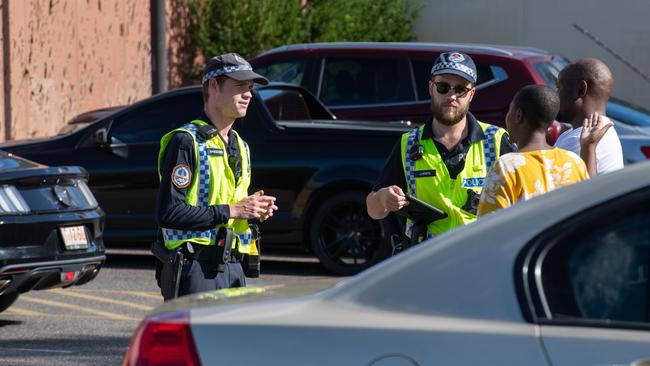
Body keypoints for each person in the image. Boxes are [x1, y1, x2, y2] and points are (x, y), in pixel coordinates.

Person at [154, 52, 278, 300]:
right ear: (213, 85)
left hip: (233, 267)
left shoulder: (241, 146)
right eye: (240, 85)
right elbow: (168, 213)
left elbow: (231, 203)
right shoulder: (186, 141)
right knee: (195, 340)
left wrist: (254, 211)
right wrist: (233, 210)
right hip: (196, 267)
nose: (248, 94)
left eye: (251, 88)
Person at [366, 52, 515, 245]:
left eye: (460, 89)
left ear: (471, 94)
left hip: (481, 257)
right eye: (443, 87)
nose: (451, 96)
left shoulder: (496, 140)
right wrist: (383, 198)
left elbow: (521, 203)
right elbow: (373, 210)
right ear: (431, 88)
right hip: (427, 260)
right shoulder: (409, 144)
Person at [477, 85, 611, 216]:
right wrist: (589, 147)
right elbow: (588, 204)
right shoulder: (573, 161)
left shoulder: (507, 166)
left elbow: (487, 227)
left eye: (510, 111)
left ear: (518, 115)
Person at [554, 58, 624, 175]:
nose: (556, 96)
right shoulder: (601, 131)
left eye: (559, 88)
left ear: (581, 89)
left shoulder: (577, 141)